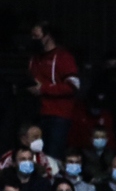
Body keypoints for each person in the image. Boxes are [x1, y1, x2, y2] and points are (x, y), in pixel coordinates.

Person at [26, 22, 81, 159]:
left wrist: (44, 89)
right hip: (38, 114)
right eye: (32, 36)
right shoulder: (34, 59)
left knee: (53, 155)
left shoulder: (63, 57)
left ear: (48, 36)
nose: (34, 39)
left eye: (37, 36)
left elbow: (73, 86)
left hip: (58, 115)